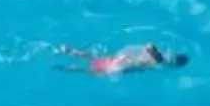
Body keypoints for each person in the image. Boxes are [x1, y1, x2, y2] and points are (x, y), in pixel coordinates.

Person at [58, 44, 188, 76]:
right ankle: (66, 68)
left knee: (97, 59)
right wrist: (152, 50)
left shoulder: (164, 59)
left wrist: (151, 49)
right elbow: (157, 58)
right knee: (93, 71)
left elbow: (151, 49)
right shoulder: (164, 64)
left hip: (125, 59)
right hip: (124, 66)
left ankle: (70, 51)